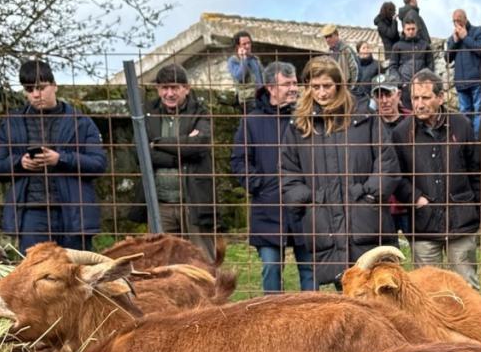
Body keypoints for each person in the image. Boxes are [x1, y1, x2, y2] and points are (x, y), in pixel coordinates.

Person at [281, 56, 402, 289]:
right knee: (345, 297)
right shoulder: (299, 127)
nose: (322, 93)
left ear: (338, 84)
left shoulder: (364, 117)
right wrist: (310, 201)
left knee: (383, 294)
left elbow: (387, 162)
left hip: (366, 220)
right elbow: (288, 173)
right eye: (315, 87)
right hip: (325, 223)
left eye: (327, 86)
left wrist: (370, 196)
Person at [0, 59, 106, 252]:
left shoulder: (81, 122)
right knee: (35, 276)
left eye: (40, 87)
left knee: (76, 275)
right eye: (28, 89)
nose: (35, 94)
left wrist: (60, 159)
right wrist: (20, 163)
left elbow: (99, 164)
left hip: (74, 211)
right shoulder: (12, 123)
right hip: (32, 213)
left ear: (54, 85)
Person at [231, 61, 315, 293]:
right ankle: (272, 317)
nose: (293, 88)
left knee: (310, 269)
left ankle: (313, 319)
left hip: (303, 207)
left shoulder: (304, 118)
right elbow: (239, 161)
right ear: (270, 87)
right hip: (267, 209)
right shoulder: (252, 121)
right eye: (286, 83)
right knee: (271, 267)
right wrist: (260, 185)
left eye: (295, 83)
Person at [392, 69, 481, 288]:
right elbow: (395, 176)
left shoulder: (461, 125)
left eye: (425, 97)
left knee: (466, 287)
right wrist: (416, 198)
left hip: (460, 221)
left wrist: (479, 213)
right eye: (415, 98)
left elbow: (476, 172)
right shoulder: (401, 133)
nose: (419, 104)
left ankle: (471, 324)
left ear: (440, 98)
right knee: (426, 291)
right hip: (423, 223)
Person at [133, 63, 217, 262]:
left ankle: (211, 294)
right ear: (157, 89)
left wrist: (158, 143)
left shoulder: (200, 112)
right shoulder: (146, 113)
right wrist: (178, 153)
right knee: (160, 262)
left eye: (175, 88)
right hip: (160, 204)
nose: (169, 93)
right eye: (165, 88)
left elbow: (198, 145)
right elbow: (140, 154)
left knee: (203, 261)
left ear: (186, 89)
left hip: (193, 201)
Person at [369, 72, 412, 239]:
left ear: (398, 94)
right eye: (378, 96)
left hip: (410, 200)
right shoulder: (368, 125)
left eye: (388, 94)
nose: (384, 101)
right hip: (383, 203)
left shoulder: (413, 121)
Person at [445, 9, 481, 137]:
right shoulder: (452, 39)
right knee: (464, 114)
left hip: (477, 80)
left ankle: (477, 142)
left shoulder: (478, 31)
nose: (456, 23)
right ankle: (467, 142)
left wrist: (465, 38)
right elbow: (447, 58)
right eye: (454, 21)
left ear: (465, 18)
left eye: (459, 20)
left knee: (480, 112)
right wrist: (455, 42)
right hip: (461, 83)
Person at [389, 17, 433, 108]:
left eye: (413, 29)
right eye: (408, 29)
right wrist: (400, 83)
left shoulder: (425, 46)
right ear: (404, 30)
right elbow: (392, 67)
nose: (411, 31)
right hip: (404, 88)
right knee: (407, 115)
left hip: (422, 87)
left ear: (416, 29)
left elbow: (430, 66)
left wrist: (424, 81)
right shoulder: (397, 46)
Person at [226, 30, 264, 104]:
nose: (248, 46)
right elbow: (240, 77)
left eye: (249, 43)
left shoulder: (255, 59)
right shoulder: (233, 60)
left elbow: (263, 77)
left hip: (260, 98)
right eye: (244, 44)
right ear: (238, 46)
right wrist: (243, 59)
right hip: (247, 100)